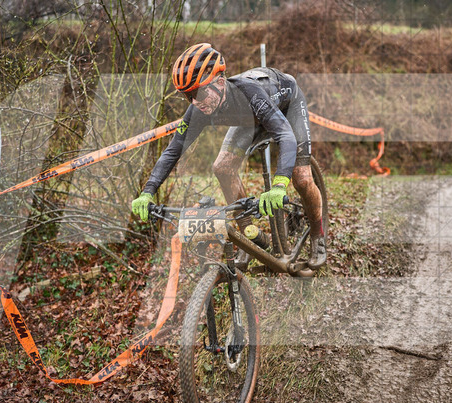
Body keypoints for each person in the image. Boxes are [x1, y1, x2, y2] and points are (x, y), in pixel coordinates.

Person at [131, 43, 326, 269]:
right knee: (222, 168)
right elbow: (173, 150)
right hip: (251, 119)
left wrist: (280, 184)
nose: (195, 102)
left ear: (220, 82)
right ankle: (248, 236)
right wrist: (148, 191)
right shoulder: (199, 108)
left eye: (198, 93)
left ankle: (318, 235)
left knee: (301, 178)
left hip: (286, 107)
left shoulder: (249, 92)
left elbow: (285, 135)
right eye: (188, 96)